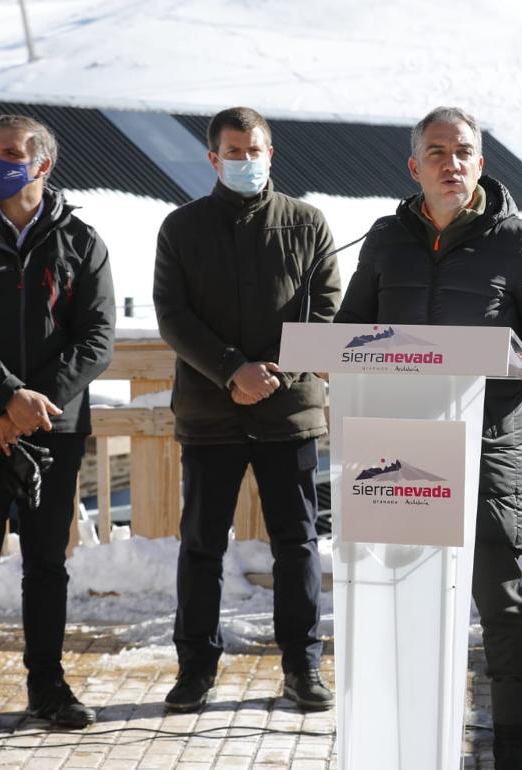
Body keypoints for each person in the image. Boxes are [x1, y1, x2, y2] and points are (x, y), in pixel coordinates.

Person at [335, 106, 522, 770]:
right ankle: (401, 740)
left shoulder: (519, 241)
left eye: (464, 151)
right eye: (437, 152)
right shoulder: (385, 239)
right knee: (396, 604)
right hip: (397, 451)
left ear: (481, 163)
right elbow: (351, 327)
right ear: (415, 167)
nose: (452, 163)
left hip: (485, 449)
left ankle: (512, 753)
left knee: (499, 605)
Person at [0, 114, 115, 735]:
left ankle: (48, 686)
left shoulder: (81, 241)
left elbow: (98, 339)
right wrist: (8, 397)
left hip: (55, 429)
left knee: (46, 564)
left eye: (11, 152)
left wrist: (36, 403)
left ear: (42, 165)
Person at [154, 106, 341, 713]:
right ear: (213, 158)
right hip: (212, 412)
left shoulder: (307, 222)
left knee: (297, 543)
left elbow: (328, 308)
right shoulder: (180, 229)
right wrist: (233, 368)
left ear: (271, 153)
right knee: (203, 544)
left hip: (289, 411)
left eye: (254, 150)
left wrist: (275, 368)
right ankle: (196, 669)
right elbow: (173, 316)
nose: (246, 161)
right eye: (234, 152)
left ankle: (302, 667)